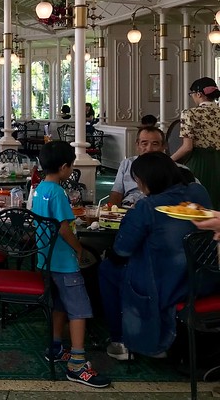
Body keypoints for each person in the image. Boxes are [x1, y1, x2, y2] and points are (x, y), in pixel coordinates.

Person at [99, 152, 211, 361]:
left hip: (168, 284)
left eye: (139, 181)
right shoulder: (198, 192)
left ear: (147, 181)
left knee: (107, 269)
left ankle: (120, 340)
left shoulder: (148, 207)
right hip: (205, 277)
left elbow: (122, 250)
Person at [32, 140, 110, 388]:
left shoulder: (40, 189)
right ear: (65, 167)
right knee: (79, 309)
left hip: (46, 258)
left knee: (60, 303)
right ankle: (77, 364)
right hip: (64, 260)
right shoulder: (58, 192)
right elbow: (64, 228)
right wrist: (79, 250)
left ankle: (56, 346)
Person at [170, 77, 220, 209]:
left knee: (197, 204)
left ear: (199, 94)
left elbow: (187, 147)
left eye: (191, 94)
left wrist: (168, 161)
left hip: (200, 163)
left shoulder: (190, 113)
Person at [108, 126, 166, 208]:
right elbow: (117, 193)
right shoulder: (127, 163)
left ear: (163, 147)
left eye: (155, 144)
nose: (149, 149)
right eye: (144, 144)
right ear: (137, 145)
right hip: (127, 207)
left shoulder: (174, 169)